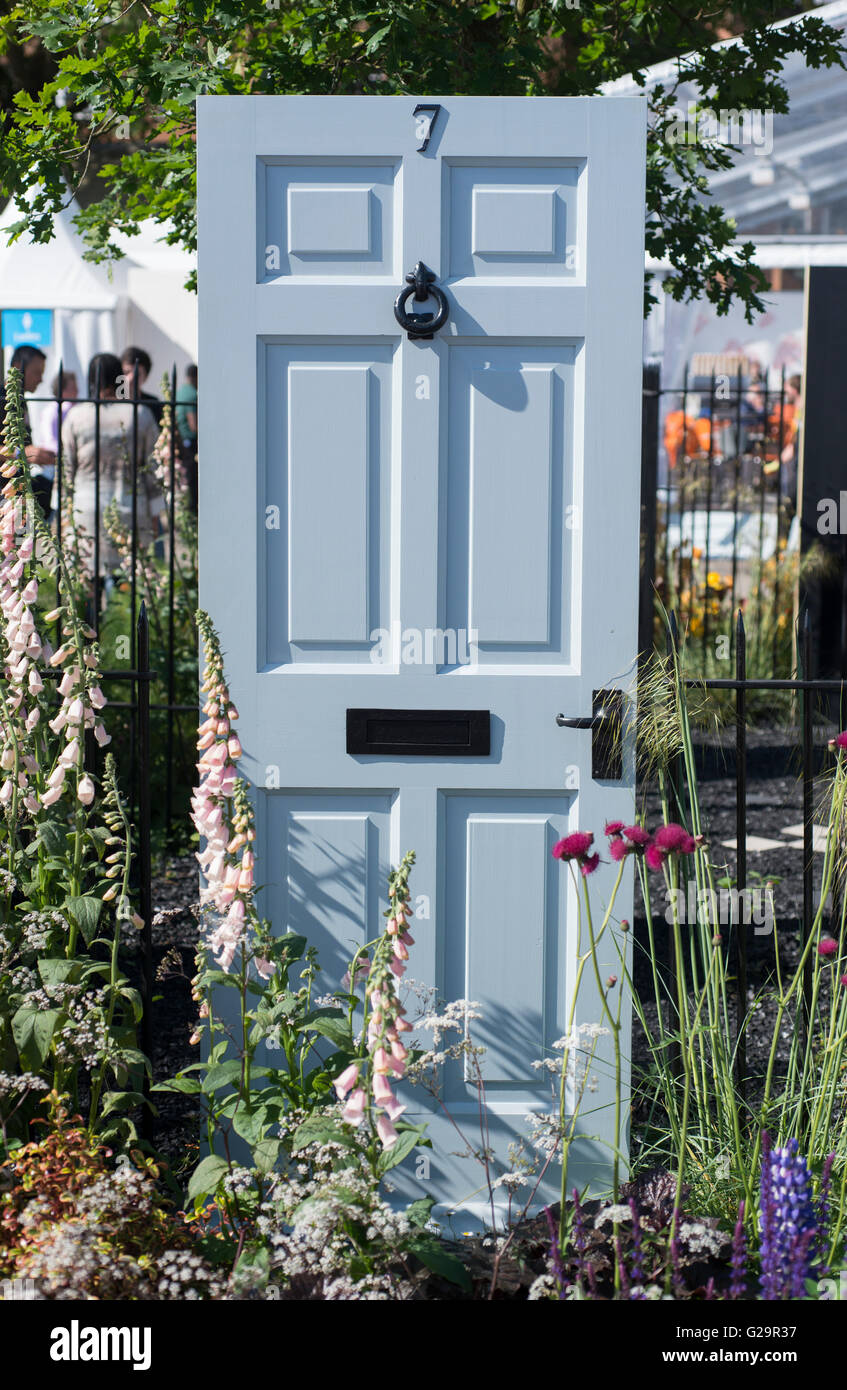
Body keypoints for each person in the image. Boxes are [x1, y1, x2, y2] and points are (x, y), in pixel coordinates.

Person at [59, 353, 164, 578]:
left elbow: (65, 469)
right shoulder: (140, 414)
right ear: (119, 378)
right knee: (130, 589)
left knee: (86, 588)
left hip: (84, 513)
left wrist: (61, 515)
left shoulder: (76, 417)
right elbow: (153, 468)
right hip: (130, 510)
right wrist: (156, 514)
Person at [0, 344, 56, 516]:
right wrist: (22, 453)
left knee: (21, 540)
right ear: (18, 367)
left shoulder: (21, 401)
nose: (41, 379)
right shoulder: (2, 399)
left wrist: (36, 454)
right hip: (4, 493)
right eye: (37, 372)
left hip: (17, 492)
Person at [120, 346, 163, 425]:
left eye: (137, 374)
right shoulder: (113, 401)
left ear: (146, 377)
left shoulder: (154, 404)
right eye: (126, 372)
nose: (130, 378)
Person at [175, 363, 198, 511]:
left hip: (181, 439)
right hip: (191, 440)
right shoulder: (192, 394)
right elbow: (193, 424)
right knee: (193, 479)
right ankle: (192, 509)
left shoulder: (180, 392)